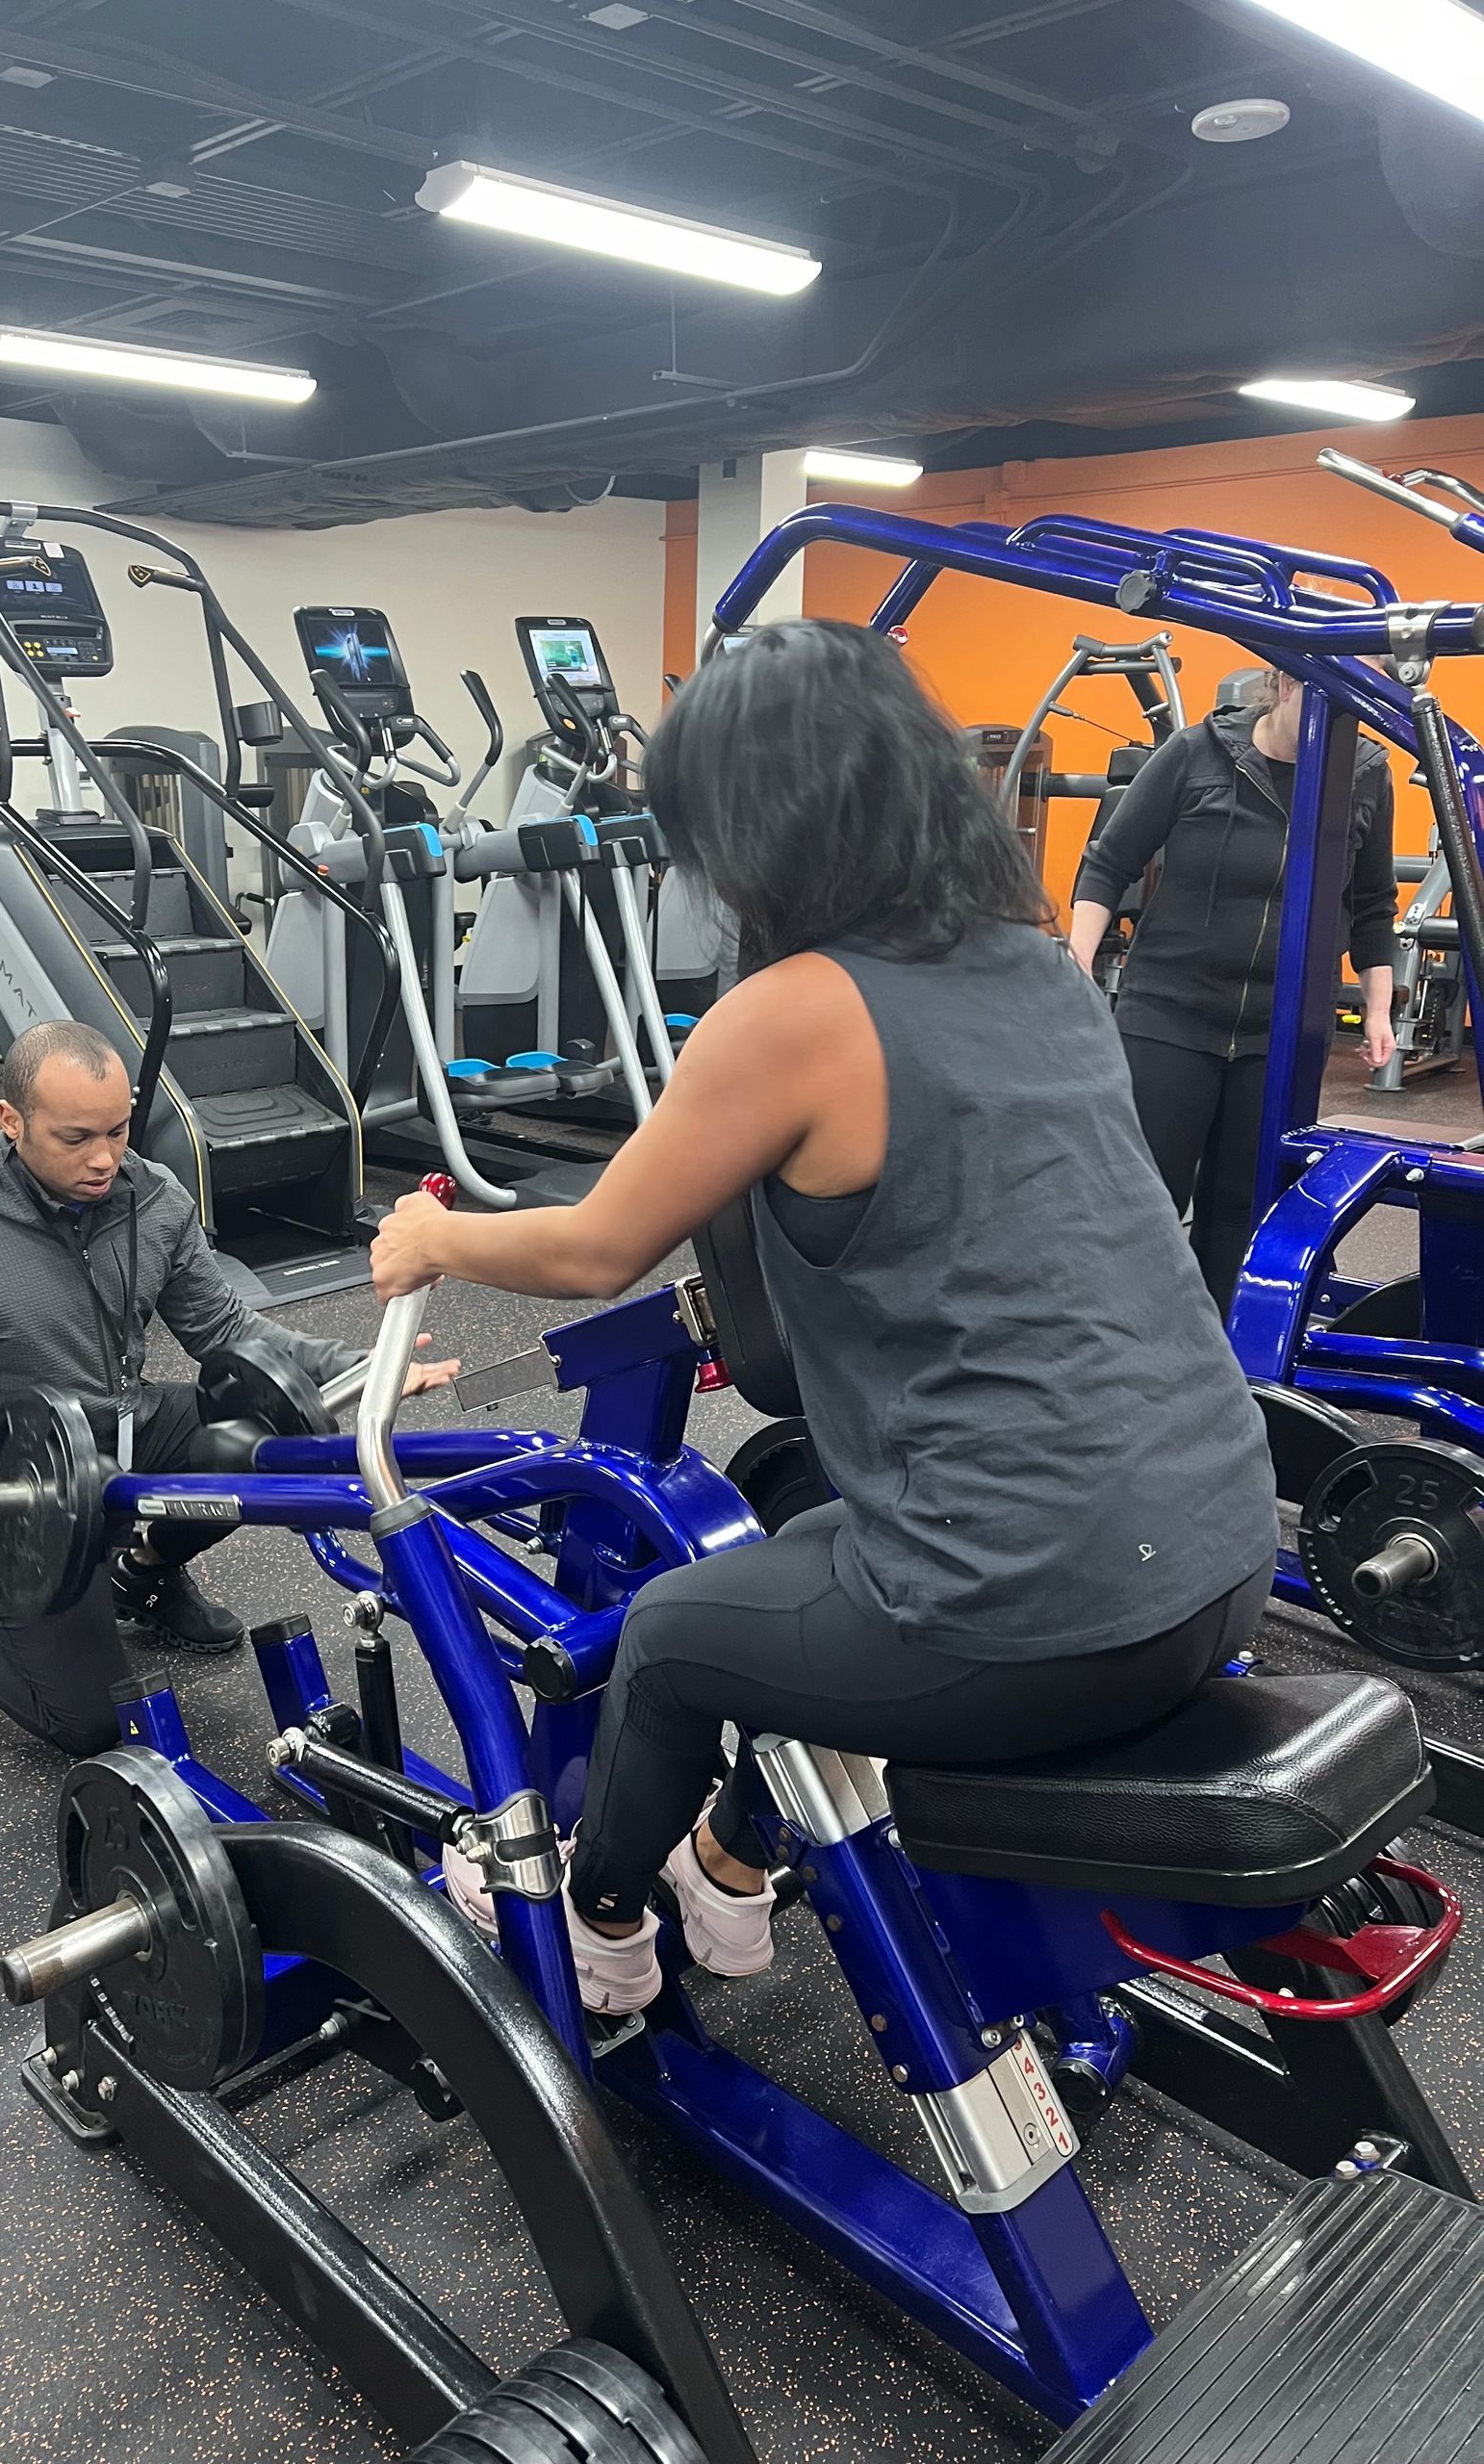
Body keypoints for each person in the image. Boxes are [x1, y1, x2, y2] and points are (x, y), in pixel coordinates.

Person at [370, 619, 1278, 2015]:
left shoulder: (795, 1010)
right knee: (804, 1555)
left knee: (669, 1639)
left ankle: (599, 1931)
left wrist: (431, 1234)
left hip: (1041, 1613)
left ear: (758, 821)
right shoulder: (1039, 961)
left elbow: (596, 1247)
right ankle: (730, 1866)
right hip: (1219, 1558)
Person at [0, 1019, 456, 1757]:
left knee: (275, 1434)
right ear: (12, 1121)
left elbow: (223, 1328)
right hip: (12, 1484)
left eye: (118, 1130)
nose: (104, 1158)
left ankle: (144, 1574)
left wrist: (362, 1367)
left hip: (125, 1426)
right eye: (75, 1138)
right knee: (93, 1724)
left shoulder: (153, 1198)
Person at [1067, 667, 1398, 1313]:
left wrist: (1379, 1008)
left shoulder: (1364, 775)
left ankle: (1220, 1351)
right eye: (1328, 701)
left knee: (1244, 1208)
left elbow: (1373, 906)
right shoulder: (1197, 753)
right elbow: (1109, 862)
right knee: (1144, 1198)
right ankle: (1119, 1339)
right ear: (1283, 683)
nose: (1339, 725)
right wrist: (1077, 963)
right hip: (1171, 1012)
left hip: (1283, 1027)